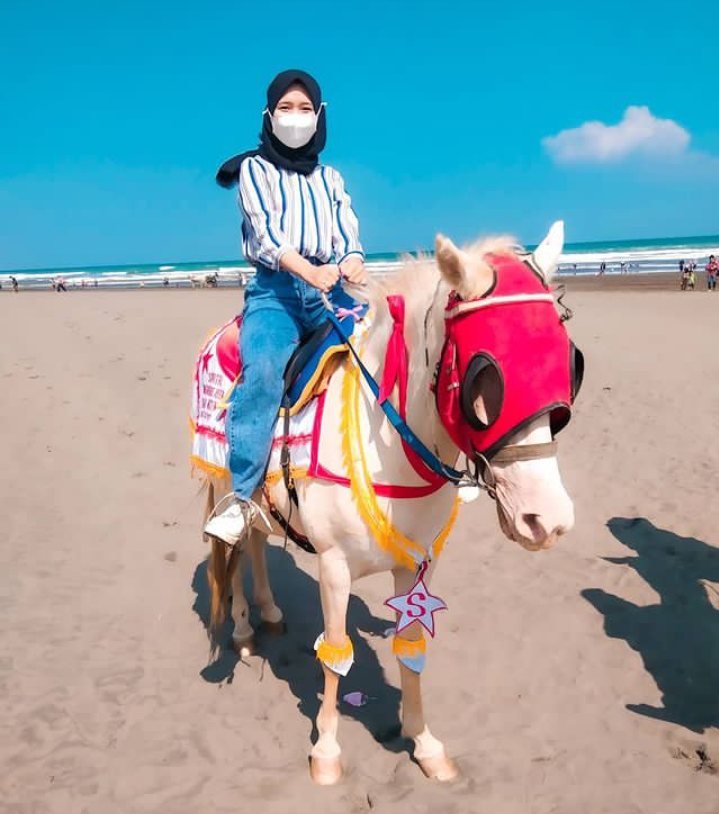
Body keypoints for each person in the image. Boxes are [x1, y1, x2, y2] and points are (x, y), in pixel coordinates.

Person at [204, 69, 366, 547]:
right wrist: (310, 272)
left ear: (320, 116)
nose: (296, 117)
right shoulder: (255, 170)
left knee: (385, 348)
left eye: (305, 109)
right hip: (275, 294)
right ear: (269, 116)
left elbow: (346, 233)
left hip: (328, 289)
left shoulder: (331, 178)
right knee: (263, 372)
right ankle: (242, 496)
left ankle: (431, 462)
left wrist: (352, 260)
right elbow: (268, 237)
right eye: (285, 108)